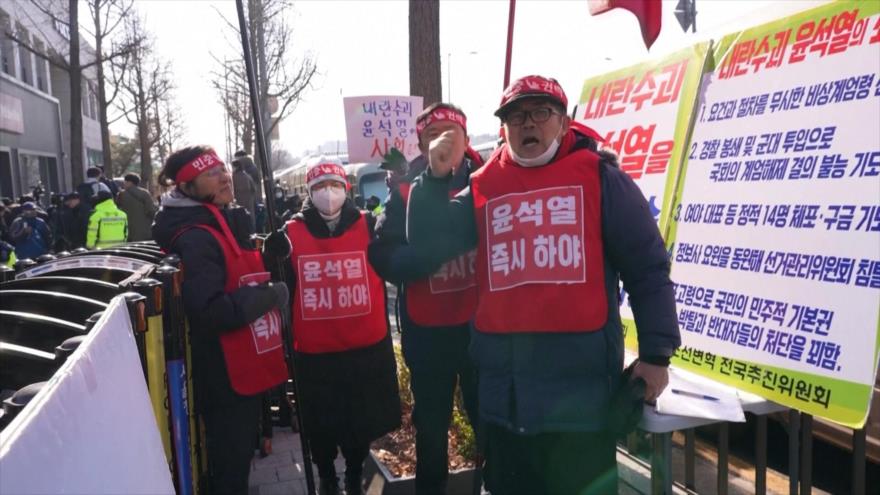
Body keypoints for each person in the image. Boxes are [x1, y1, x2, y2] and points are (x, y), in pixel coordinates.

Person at [405, 75, 681, 494]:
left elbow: (647, 267)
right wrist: (435, 179)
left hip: (581, 409)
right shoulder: (482, 186)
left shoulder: (601, 178)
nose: (527, 124)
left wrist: (657, 355)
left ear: (565, 123)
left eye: (540, 113)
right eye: (515, 116)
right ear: (504, 129)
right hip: (506, 407)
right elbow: (426, 242)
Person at [152, 145, 290, 495]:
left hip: (244, 364)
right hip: (226, 373)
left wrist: (271, 257)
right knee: (231, 467)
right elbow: (210, 308)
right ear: (187, 188)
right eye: (210, 174)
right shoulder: (197, 236)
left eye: (222, 169)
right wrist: (269, 295)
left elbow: (237, 274)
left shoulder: (221, 218)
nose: (224, 176)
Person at [268, 156, 400, 495]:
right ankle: (326, 474)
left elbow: (392, 254)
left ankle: (355, 472)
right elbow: (281, 283)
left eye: (336, 186)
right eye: (320, 187)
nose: (329, 193)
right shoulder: (291, 232)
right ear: (309, 193)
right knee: (320, 423)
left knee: (360, 421)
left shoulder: (368, 225)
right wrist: (273, 257)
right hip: (315, 351)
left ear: (346, 189)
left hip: (364, 346)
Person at [368, 103, 481, 495]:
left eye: (453, 132)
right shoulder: (403, 191)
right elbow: (383, 255)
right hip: (428, 334)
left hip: (482, 330)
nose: (444, 142)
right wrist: (430, 256)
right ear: (420, 142)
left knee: (489, 424)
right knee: (431, 429)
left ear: (467, 140)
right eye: (434, 134)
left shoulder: (488, 180)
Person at [116, 173, 157, 241]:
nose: (124, 183)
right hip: (144, 231)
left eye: (125, 182)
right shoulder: (145, 193)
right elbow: (151, 211)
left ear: (129, 182)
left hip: (127, 231)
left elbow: (118, 210)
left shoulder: (121, 195)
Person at [232, 158, 258, 229]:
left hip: (238, 204)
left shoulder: (233, 177)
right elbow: (254, 189)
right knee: (251, 222)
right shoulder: (247, 175)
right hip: (249, 203)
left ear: (236, 167)